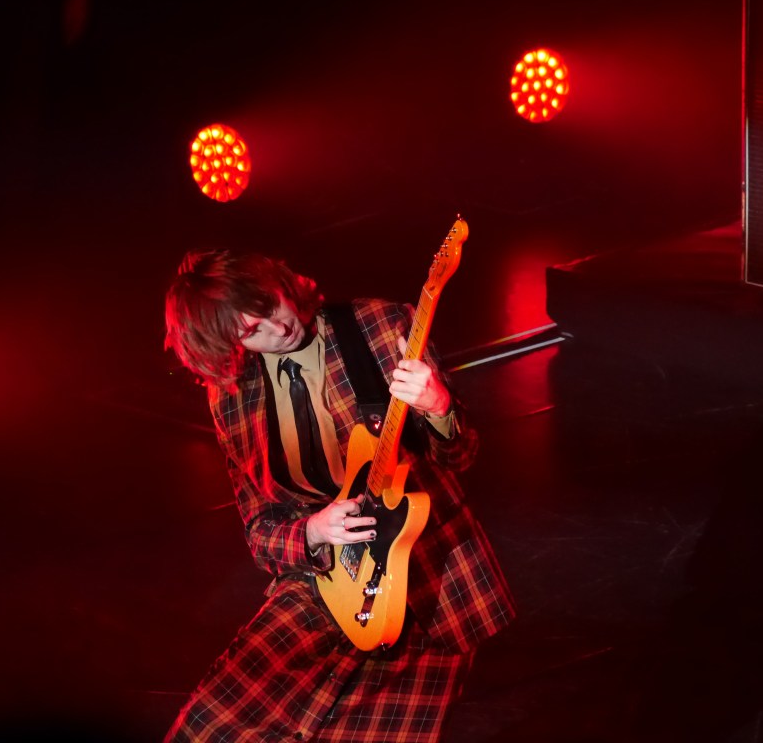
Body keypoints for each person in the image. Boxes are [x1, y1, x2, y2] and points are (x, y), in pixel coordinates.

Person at [162, 248, 515, 742]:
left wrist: (439, 407)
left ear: (280, 282)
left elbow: (462, 455)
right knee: (210, 727)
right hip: (324, 581)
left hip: (422, 582)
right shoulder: (232, 395)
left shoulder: (379, 325)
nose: (278, 327)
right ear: (228, 345)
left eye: (270, 304)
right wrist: (314, 530)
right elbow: (260, 530)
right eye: (253, 330)